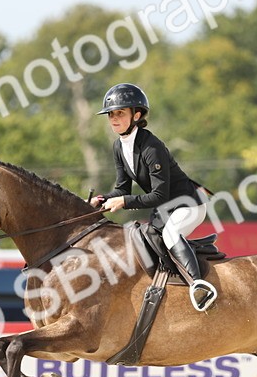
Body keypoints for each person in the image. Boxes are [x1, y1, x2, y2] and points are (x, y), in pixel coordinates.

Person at [90, 83, 218, 311]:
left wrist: (125, 202)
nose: (113, 119)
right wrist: (101, 199)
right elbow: (122, 189)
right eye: (110, 114)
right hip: (165, 209)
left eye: (120, 113)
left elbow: (159, 195)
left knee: (171, 234)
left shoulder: (151, 146)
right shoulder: (118, 147)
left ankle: (199, 285)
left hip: (188, 204)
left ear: (136, 115)